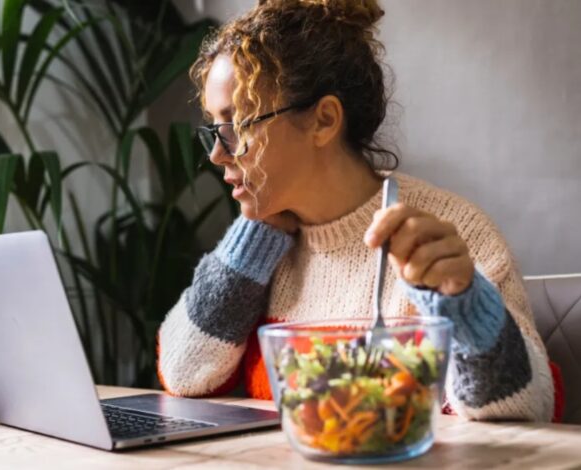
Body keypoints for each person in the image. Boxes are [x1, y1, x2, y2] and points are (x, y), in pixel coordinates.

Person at [156, 0, 555, 421]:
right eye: (213, 131)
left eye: (236, 127)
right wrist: (254, 235)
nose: (218, 154)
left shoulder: (448, 236)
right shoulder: (265, 245)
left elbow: (527, 410)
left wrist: (463, 301)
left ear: (324, 120)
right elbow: (184, 373)